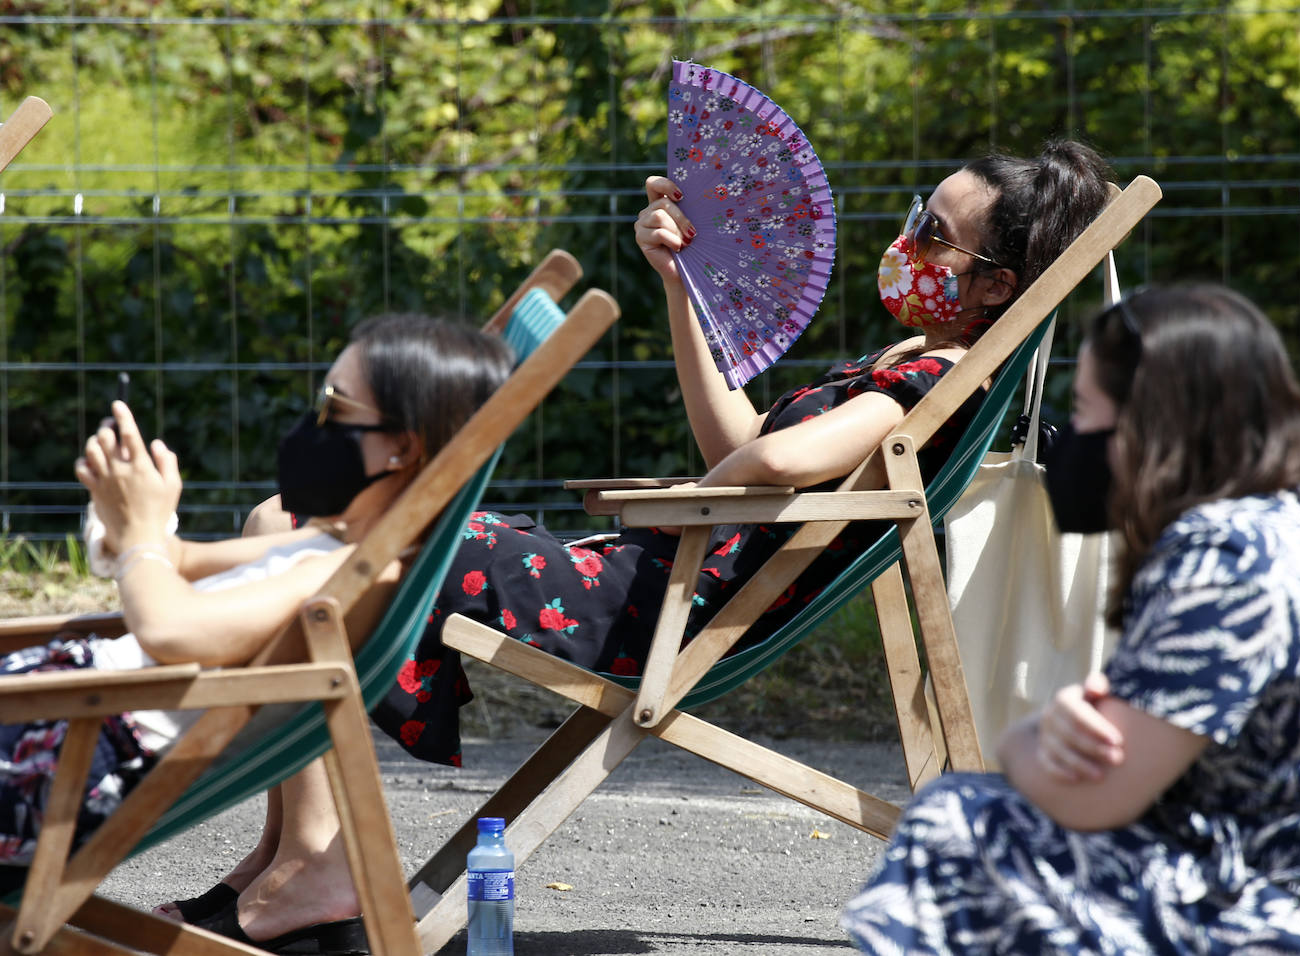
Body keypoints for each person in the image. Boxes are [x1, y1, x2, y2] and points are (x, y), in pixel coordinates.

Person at [165, 139, 1120, 946]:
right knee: (289, 529)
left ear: (995, 285)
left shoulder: (934, 381)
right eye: (917, 215)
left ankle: (319, 868)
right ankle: (287, 858)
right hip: (645, 584)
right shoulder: (903, 362)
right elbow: (740, 441)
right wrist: (681, 285)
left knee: (310, 542)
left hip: (660, 609)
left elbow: (780, 460)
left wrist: (700, 499)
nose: (907, 240)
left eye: (934, 234)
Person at [843, 284, 1300, 954]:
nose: (1074, 438)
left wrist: (1028, 738)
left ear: (1152, 427)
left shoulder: (1224, 559)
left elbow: (1095, 798)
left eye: (1086, 413)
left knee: (957, 821)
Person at [0, 314, 511, 946]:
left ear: (402, 448)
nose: (315, 426)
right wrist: (132, 521)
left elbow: (166, 627)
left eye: (336, 409)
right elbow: (174, 562)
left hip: (56, 759)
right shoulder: (324, 544)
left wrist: (140, 542)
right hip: (53, 727)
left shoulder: (345, 574)